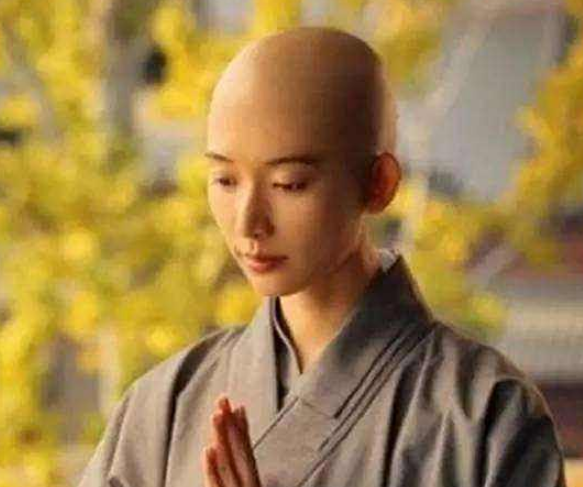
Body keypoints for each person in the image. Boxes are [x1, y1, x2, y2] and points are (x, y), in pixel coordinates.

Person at [77, 26, 566, 487]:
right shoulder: (162, 408)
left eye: (289, 184)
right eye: (225, 180)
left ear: (378, 185)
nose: (249, 222)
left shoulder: (486, 415)